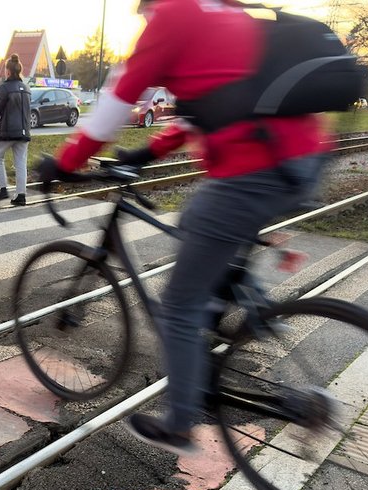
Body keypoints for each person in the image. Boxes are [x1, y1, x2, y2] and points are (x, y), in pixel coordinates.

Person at [38, 0, 326, 455]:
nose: (145, 19)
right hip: (303, 159)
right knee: (202, 229)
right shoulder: (231, 15)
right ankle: (248, 309)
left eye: (143, 12)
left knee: (177, 303)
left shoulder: (176, 14)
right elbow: (203, 110)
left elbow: (118, 98)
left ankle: (180, 422)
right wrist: (143, 155)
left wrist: (64, 162)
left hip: (253, 169)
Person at [0, 54, 31, 206]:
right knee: (21, 163)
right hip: (24, 132)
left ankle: (3, 190)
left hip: (8, 132)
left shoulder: (5, 87)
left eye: (5, 70)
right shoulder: (26, 88)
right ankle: (21, 195)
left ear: (8, 72)